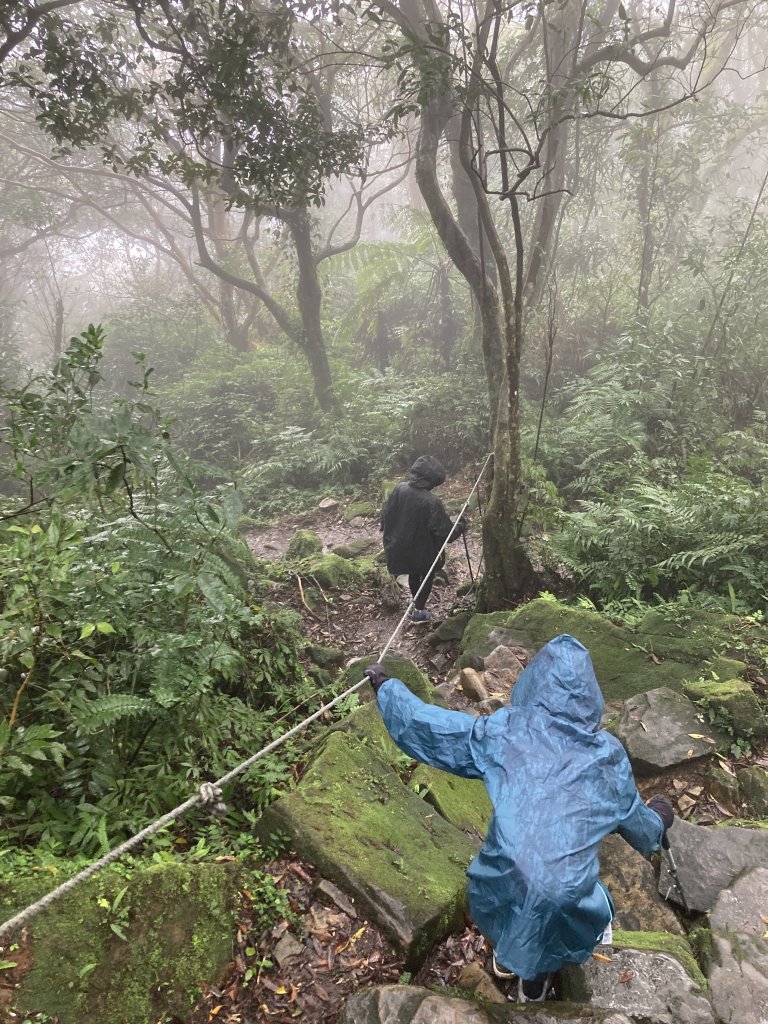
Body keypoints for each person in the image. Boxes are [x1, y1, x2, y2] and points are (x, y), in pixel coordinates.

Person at [365, 634, 675, 1003]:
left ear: (535, 683)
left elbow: (431, 727)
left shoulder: (505, 731)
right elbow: (641, 829)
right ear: (590, 697)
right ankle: (535, 986)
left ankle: (507, 957)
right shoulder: (607, 758)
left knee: (514, 895)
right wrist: (660, 817)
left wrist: (388, 688)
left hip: (499, 881)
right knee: (558, 907)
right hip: (567, 899)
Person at [379, 455, 465, 623]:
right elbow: (446, 533)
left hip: (399, 545)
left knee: (413, 573)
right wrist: (460, 525)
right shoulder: (431, 502)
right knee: (426, 575)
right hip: (422, 552)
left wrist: (388, 533)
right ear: (432, 479)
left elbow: (386, 512)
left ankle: (415, 603)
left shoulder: (400, 488)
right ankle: (419, 610)